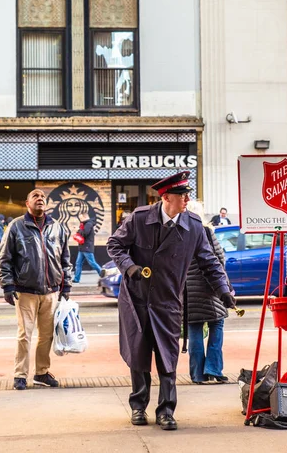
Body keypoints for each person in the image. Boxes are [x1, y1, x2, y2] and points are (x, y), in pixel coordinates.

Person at [107, 171, 235, 431]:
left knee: (168, 358)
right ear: (166, 197)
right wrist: (130, 268)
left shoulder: (194, 226)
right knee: (138, 355)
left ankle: (166, 411)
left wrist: (224, 290)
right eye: (182, 195)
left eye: (188, 195)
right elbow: (114, 245)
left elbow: (209, 262)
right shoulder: (139, 218)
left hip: (168, 300)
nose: (187, 199)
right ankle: (138, 407)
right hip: (137, 299)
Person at [0, 189, 72, 391]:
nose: (40, 198)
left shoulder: (57, 228)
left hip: (51, 292)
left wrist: (66, 287)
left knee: (46, 336)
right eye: (35, 196)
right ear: (27, 203)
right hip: (25, 291)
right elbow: (3, 259)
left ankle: (41, 373)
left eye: (42, 197)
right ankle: (20, 375)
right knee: (24, 335)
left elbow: (65, 260)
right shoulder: (16, 227)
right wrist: (8, 285)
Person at [186, 201, 231, 385]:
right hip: (210, 288)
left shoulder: (178, 233)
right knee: (217, 325)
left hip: (187, 290)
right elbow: (219, 259)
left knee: (194, 329)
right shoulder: (206, 232)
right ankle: (213, 368)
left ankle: (197, 374)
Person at [72, 212, 102, 283]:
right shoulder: (85, 224)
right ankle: (76, 279)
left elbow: (85, 233)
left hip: (87, 247)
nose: (80, 219)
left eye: (81, 218)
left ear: (85, 217)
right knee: (78, 263)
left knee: (92, 263)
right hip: (82, 247)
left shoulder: (88, 224)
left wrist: (77, 230)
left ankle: (104, 275)